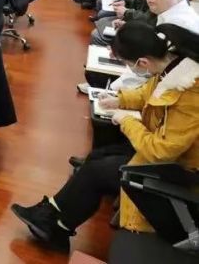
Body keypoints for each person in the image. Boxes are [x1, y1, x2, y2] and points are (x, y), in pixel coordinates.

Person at [12, 22, 199, 253]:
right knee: (97, 156)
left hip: (179, 170)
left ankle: (54, 224)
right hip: (163, 155)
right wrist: (120, 100)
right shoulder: (172, 67)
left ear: (142, 62)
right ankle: (54, 218)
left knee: (96, 172)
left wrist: (127, 121)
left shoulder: (189, 93)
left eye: (128, 63)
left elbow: (161, 151)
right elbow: (149, 93)